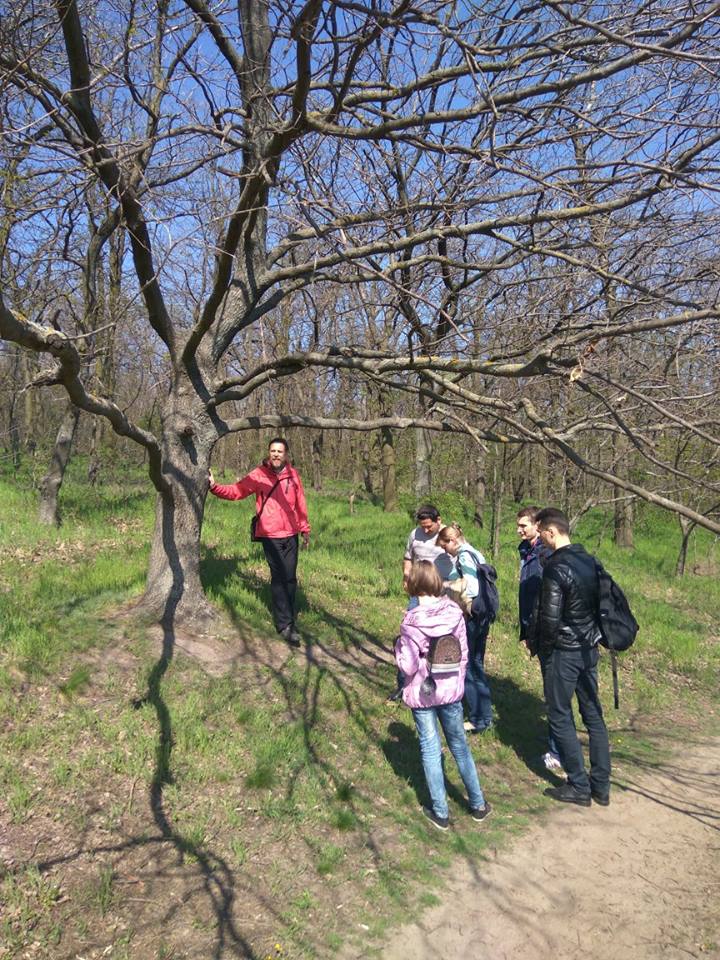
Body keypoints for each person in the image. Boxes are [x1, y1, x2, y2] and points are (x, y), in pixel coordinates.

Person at [394, 560, 491, 830]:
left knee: (429, 747)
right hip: (450, 691)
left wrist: (398, 648)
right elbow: (463, 654)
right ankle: (478, 804)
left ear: (413, 585)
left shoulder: (411, 622)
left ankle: (440, 811)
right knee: (459, 745)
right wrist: (457, 681)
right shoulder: (454, 612)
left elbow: (408, 666)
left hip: (423, 693)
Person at [534, 507, 611, 806]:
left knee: (559, 714)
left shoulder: (556, 567)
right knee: (593, 715)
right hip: (589, 649)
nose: (540, 539)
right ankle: (601, 786)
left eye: (542, 534)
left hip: (564, 653)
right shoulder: (590, 560)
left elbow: (550, 619)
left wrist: (544, 652)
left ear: (552, 532)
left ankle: (579, 785)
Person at [208, 437, 310, 647]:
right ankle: (285, 625)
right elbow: (236, 491)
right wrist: (214, 487)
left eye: (280, 451)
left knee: (290, 578)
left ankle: (289, 617)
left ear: (286, 454)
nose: (276, 454)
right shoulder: (259, 475)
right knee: (279, 578)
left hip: (291, 534)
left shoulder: (293, 475)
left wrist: (305, 528)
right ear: (269, 453)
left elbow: (300, 503)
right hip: (270, 535)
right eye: (273, 451)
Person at [387, 505, 454, 702]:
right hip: (419, 594)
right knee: (409, 638)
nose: (425, 530)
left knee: (440, 641)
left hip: (443, 594)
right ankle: (404, 685)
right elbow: (408, 558)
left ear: (439, 520)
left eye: (429, 526)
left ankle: (441, 688)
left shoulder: (449, 535)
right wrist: (406, 576)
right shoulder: (414, 534)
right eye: (422, 526)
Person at [436, 523, 494, 734]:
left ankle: (478, 718)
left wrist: (447, 586)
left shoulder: (464, 556)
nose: (446, 551)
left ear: (452, 541)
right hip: (483, 615)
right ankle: (485, 716)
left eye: (445, 547)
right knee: (477, 664)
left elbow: (471, 587)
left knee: (467, 666)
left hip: (472, 617)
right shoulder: (476, 553)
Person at [516, 506, 562, 772]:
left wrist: (540, 630)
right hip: (534, 630)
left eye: (524, 525)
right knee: (550, 690)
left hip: (548, 631)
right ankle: (558, 744)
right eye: (518, 525)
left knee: (554, 694)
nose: (519, 530)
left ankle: (558, 752)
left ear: (538, 526)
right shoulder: (526, 550)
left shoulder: (547, 554)